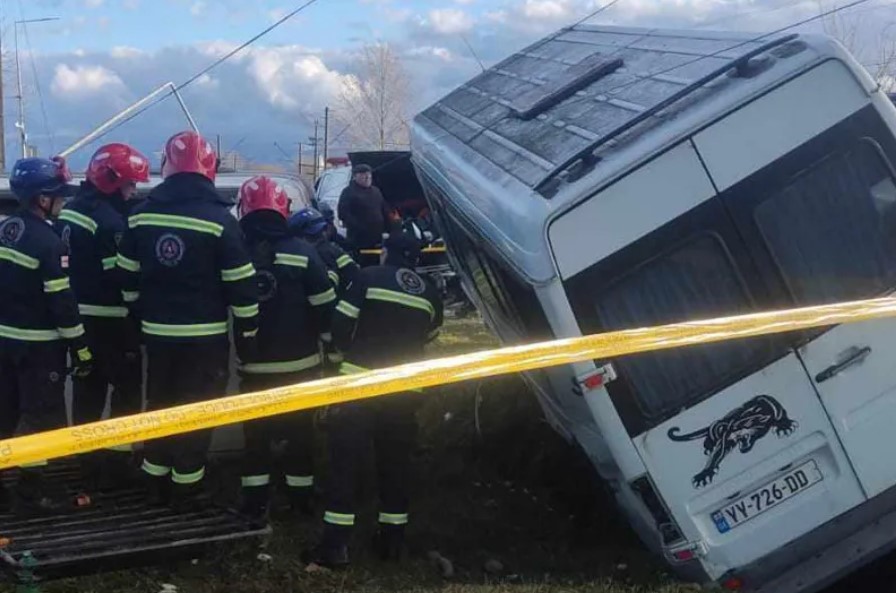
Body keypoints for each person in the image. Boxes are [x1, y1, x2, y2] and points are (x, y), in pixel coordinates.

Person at [117, 130, 259, 509]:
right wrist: (248, 332)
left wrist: (138, 316)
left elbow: (126, 276)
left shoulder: (140, 216)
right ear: (208, 169)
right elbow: (242, 287)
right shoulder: (220, 221)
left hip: (157, 335)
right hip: (205, 338)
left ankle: (153, 479)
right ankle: (187, 487)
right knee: (198, 409)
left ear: (168, 167)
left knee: (160, 403)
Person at [304, 228, 444, 568]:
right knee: (396, 465)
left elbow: (342, 323)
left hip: (359, 387)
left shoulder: (368, 278)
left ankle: (335, 546)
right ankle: (392, 542)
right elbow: (431, 334)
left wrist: (340, 354)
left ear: (386, 251)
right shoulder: (430, 293)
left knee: (345, 465)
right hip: (405, 392)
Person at [235, 176, 336, 522]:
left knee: (256, 439)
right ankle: (301, 498)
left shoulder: (237, 251)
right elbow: (325, 304)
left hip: (253, 366)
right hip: (300, 365)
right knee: (299, 436)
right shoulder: (302, 252)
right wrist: (330, 347)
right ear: (284, 210)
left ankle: (254, 502)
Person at [0, 156, 93, 514]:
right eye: (58, 195)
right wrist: (80, 347)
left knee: (5, 412)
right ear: (42, 199)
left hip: (5, 342)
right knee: (37, 417)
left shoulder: (7, 229)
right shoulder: (50, 243)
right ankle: (30, 494)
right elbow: (62, 304)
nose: (63, 201)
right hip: (39, 349)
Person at [55, 143, 150, 489]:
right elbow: (121, 279)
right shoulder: (111, 223)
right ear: (112, 182)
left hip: (79, 320)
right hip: (112, 321)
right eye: (130, 185)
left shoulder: (69, 211)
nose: (134, 192)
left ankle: (86, 459)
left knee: (87, 391)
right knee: (126, 390)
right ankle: (118, 462)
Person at [288, 207, 359, 299]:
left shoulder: (321, 253)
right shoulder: (331, 248)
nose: (321, 236)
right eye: (316, 235)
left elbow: (327, 284)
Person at [336, 164, 393, 257]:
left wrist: (390, 225)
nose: (367, 177)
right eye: (363, 176)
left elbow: (384, 209)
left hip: (377, 236)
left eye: (369, 175)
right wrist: (358, 227)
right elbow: (343, 213)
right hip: (358, 238)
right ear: (355, 177)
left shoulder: (376, 191)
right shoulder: (348, 192)